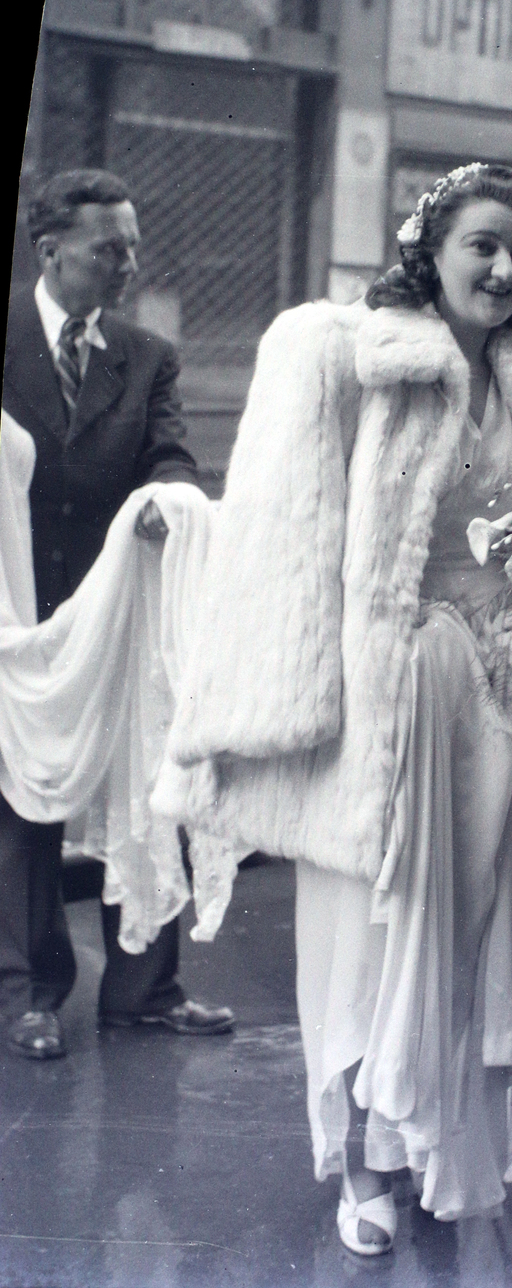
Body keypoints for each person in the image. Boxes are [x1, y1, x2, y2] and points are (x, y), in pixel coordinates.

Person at [157, 163, 512, 1255]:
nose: (503, 268)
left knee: (478, 935)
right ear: (429, 246)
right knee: (368, 943)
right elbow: (289, 534)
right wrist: (296, 703)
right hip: (393, 696)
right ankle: (360, 1165)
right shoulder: (348, 351)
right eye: (482, 245)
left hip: (505, 681)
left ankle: (435, 1147)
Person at [0, 169, 233, 1061]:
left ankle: (144, 989)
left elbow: (172, 455)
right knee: (22, 801)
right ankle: (28, 995)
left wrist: (166, 500)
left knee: (148, 784)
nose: (129, 263)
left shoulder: (144, 356)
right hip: (20, 612)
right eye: (110, 248)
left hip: (113, 611)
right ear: (51, 250)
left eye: (134, 245)